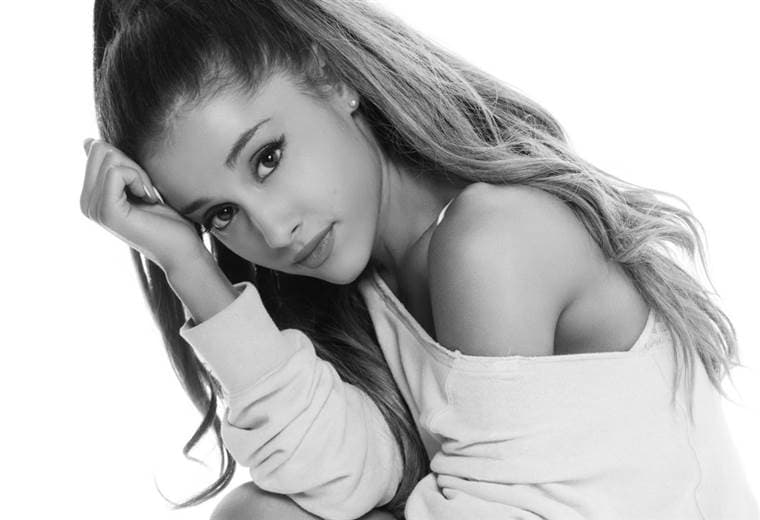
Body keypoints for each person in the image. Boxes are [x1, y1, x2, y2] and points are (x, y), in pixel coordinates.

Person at [80, 1, 758, 519]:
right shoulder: (375, 286)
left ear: (332, 77)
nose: (275, 229)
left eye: (268, 158)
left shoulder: (491, 240)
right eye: (220, 216)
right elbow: (336, 475)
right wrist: (185, 262)